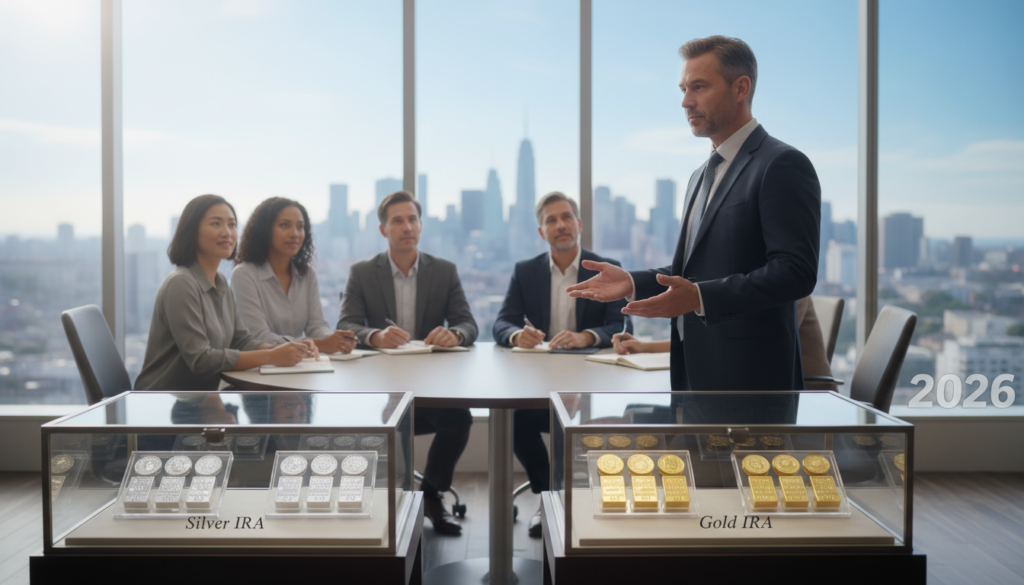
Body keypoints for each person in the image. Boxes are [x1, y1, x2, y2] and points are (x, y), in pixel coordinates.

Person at [568, 35, 821, 392]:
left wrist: (700, 298)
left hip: (752, 379)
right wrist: (633, 281)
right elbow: (694, 270)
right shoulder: (699, 175)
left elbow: (796, 272)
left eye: (699, 87)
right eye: (684, 89)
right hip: (693, 370)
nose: (686, 101)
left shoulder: (781, 164)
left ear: (740, 88)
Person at [338, 190, 476, 535]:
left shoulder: (444, 271)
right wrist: (375, 336)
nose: (406, 227)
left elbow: (467, 323)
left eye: (412, 219)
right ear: (383, 229)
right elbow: (346, 325)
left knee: (460, 419)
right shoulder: (362, 272)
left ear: (421, 225)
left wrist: (455, 335)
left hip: (429, 389)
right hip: (378, 392)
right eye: (397, 221)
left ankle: (430, 495)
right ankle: (381, 503)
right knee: (385, 425)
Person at [493, 191, 630, 537]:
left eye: (566, 217)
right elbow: (502, 322)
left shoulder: (604, 267)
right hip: (540, 380)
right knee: (514, 420)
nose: (560, 225)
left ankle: (563, 497)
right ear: (542, 232)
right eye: (551, 220)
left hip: (591, 384)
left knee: (571, 423)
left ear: (579, 224)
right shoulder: (526, 272)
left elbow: (621, 325)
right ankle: (549, 494)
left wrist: (586, 336)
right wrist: (515, 336)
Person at [135, 194, 317, 391]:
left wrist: (286, 350)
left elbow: (241, 340)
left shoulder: (220, 281)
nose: (227, 232)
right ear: (192, 232)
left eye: (232, 225)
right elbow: (201, 359)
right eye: (216, 224)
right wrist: (272, 356)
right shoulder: (181, 283)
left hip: (202, 398)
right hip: (163, 401)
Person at [613, 297, 836, 390]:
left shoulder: (783, 291)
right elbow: (707, 336)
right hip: (760, 393)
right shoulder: (743, 291)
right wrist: (644, 346)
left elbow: (756, 347)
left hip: (805, 404)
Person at [230, 197, 358, 354]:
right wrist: (317, 344)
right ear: (264, 230)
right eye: (285, 225)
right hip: (258, 370)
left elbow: (316, 325)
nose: (295, 234)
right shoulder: (244, 274)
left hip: (297, 366)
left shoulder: (307, 275)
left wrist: (335, 339)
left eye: (300, 227)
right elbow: (258, 336)